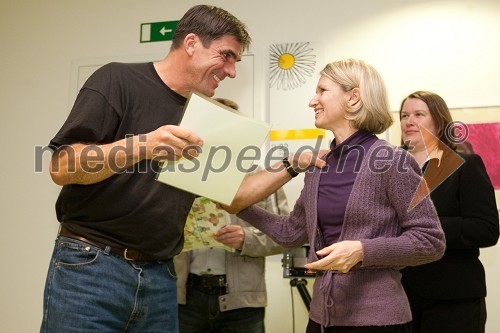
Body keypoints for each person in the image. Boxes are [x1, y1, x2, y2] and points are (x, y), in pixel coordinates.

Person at [41, 5, 251, 333]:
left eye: (235, 61)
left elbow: (233, 197)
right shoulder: (117, 80)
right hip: (91, 268)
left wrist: (293, 165)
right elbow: (62, 167)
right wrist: (144, 146)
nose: (231, 71)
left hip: (162, 278)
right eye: (226, 56)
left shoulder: (205, 114)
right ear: (192, 43)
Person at [223, 59, 446, 333]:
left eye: (322, 91)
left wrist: (362, 251)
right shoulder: (320, 165)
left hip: (378, 322)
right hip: (321, 320)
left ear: (353, 97)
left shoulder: (392, 160)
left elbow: (431, 241)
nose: (312, 101)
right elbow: (290, 232)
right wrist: (238, 206)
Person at [174, 97, 289, 333]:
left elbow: (285, 234)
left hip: (242, 304)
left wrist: (246, 239)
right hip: (182, 298)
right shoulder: (176, 174)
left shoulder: (264, 176)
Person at [398, 90, 499, 333]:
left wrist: (427, 227)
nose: (409, 121)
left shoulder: (465, 164)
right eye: (404, 115)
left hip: (454, 299)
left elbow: (486, 230)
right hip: (401, 297)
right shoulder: (393, 170)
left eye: (419, 114)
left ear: (440, 121)